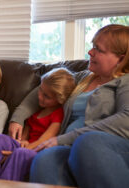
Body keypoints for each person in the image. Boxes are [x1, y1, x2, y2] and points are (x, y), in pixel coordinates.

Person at [11, 24, 129, 187]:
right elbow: (46, 87)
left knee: (87, 142)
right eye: (92, 46)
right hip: (68, 146)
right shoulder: (84, 77)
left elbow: (126, 120)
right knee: (45, 159)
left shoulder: (125, 81)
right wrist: (17, 118)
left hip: (106, 147)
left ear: (121, 59)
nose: (90, 52)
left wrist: (64, 138)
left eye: (98, 49)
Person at [0, 68, 76, 181]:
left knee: (21, 153)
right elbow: (24, 136)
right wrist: (21, 142)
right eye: (40, 90)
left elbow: (44, 141)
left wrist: (18, 150)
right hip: (27, 146)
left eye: (46, 96)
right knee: (1, 138)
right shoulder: (37, 111)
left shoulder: (58, 114)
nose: (39, 96)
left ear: (60, 100)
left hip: (39, 151)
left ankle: (1, 183)